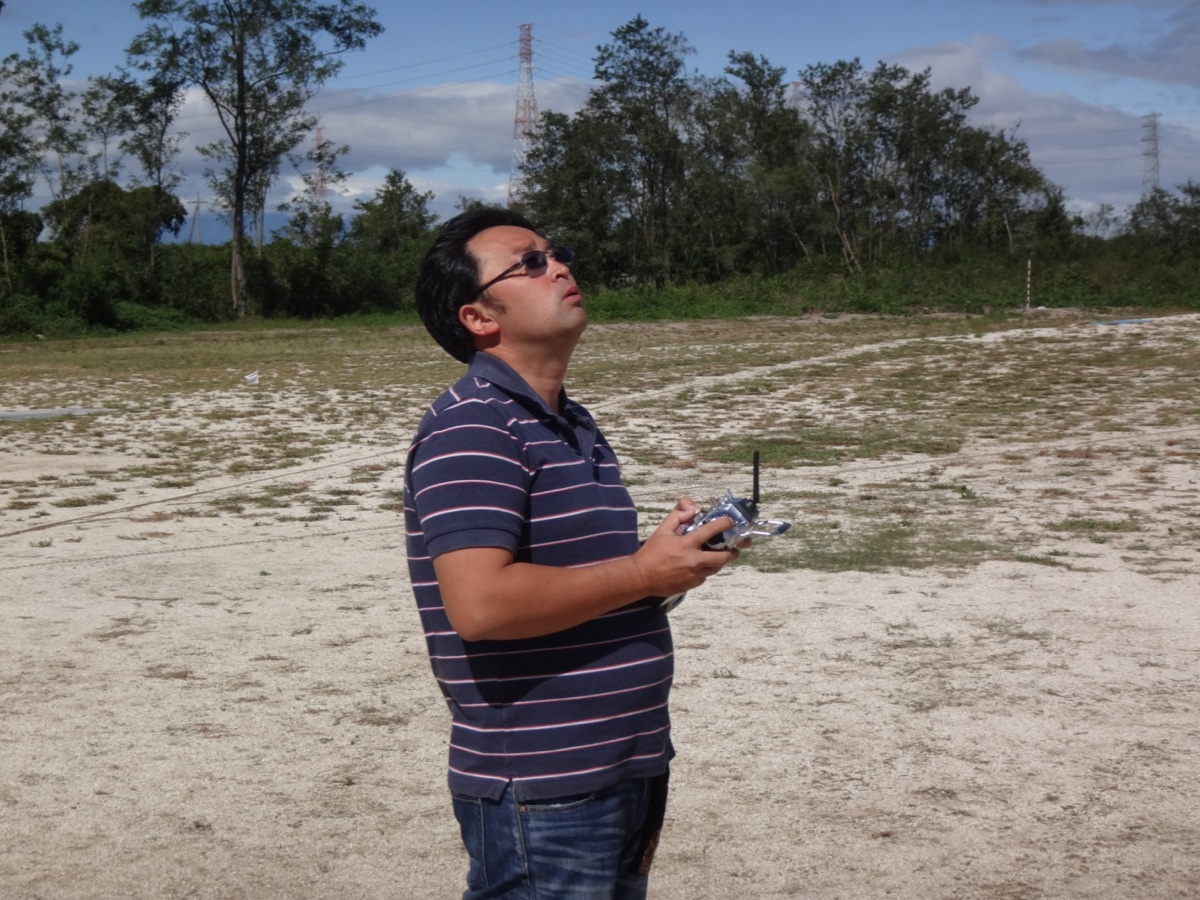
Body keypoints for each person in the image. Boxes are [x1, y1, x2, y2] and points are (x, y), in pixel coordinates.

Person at [404, 206, 740, 899]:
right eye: (529, 263)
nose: (557, 266)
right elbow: (482, 605)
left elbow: (589, 581)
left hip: (624, 762)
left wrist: (666, 566)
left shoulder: (569, 421)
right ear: (478, 317)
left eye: (556, 253)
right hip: (544, 786)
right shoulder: (473, 425)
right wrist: (641, 571)